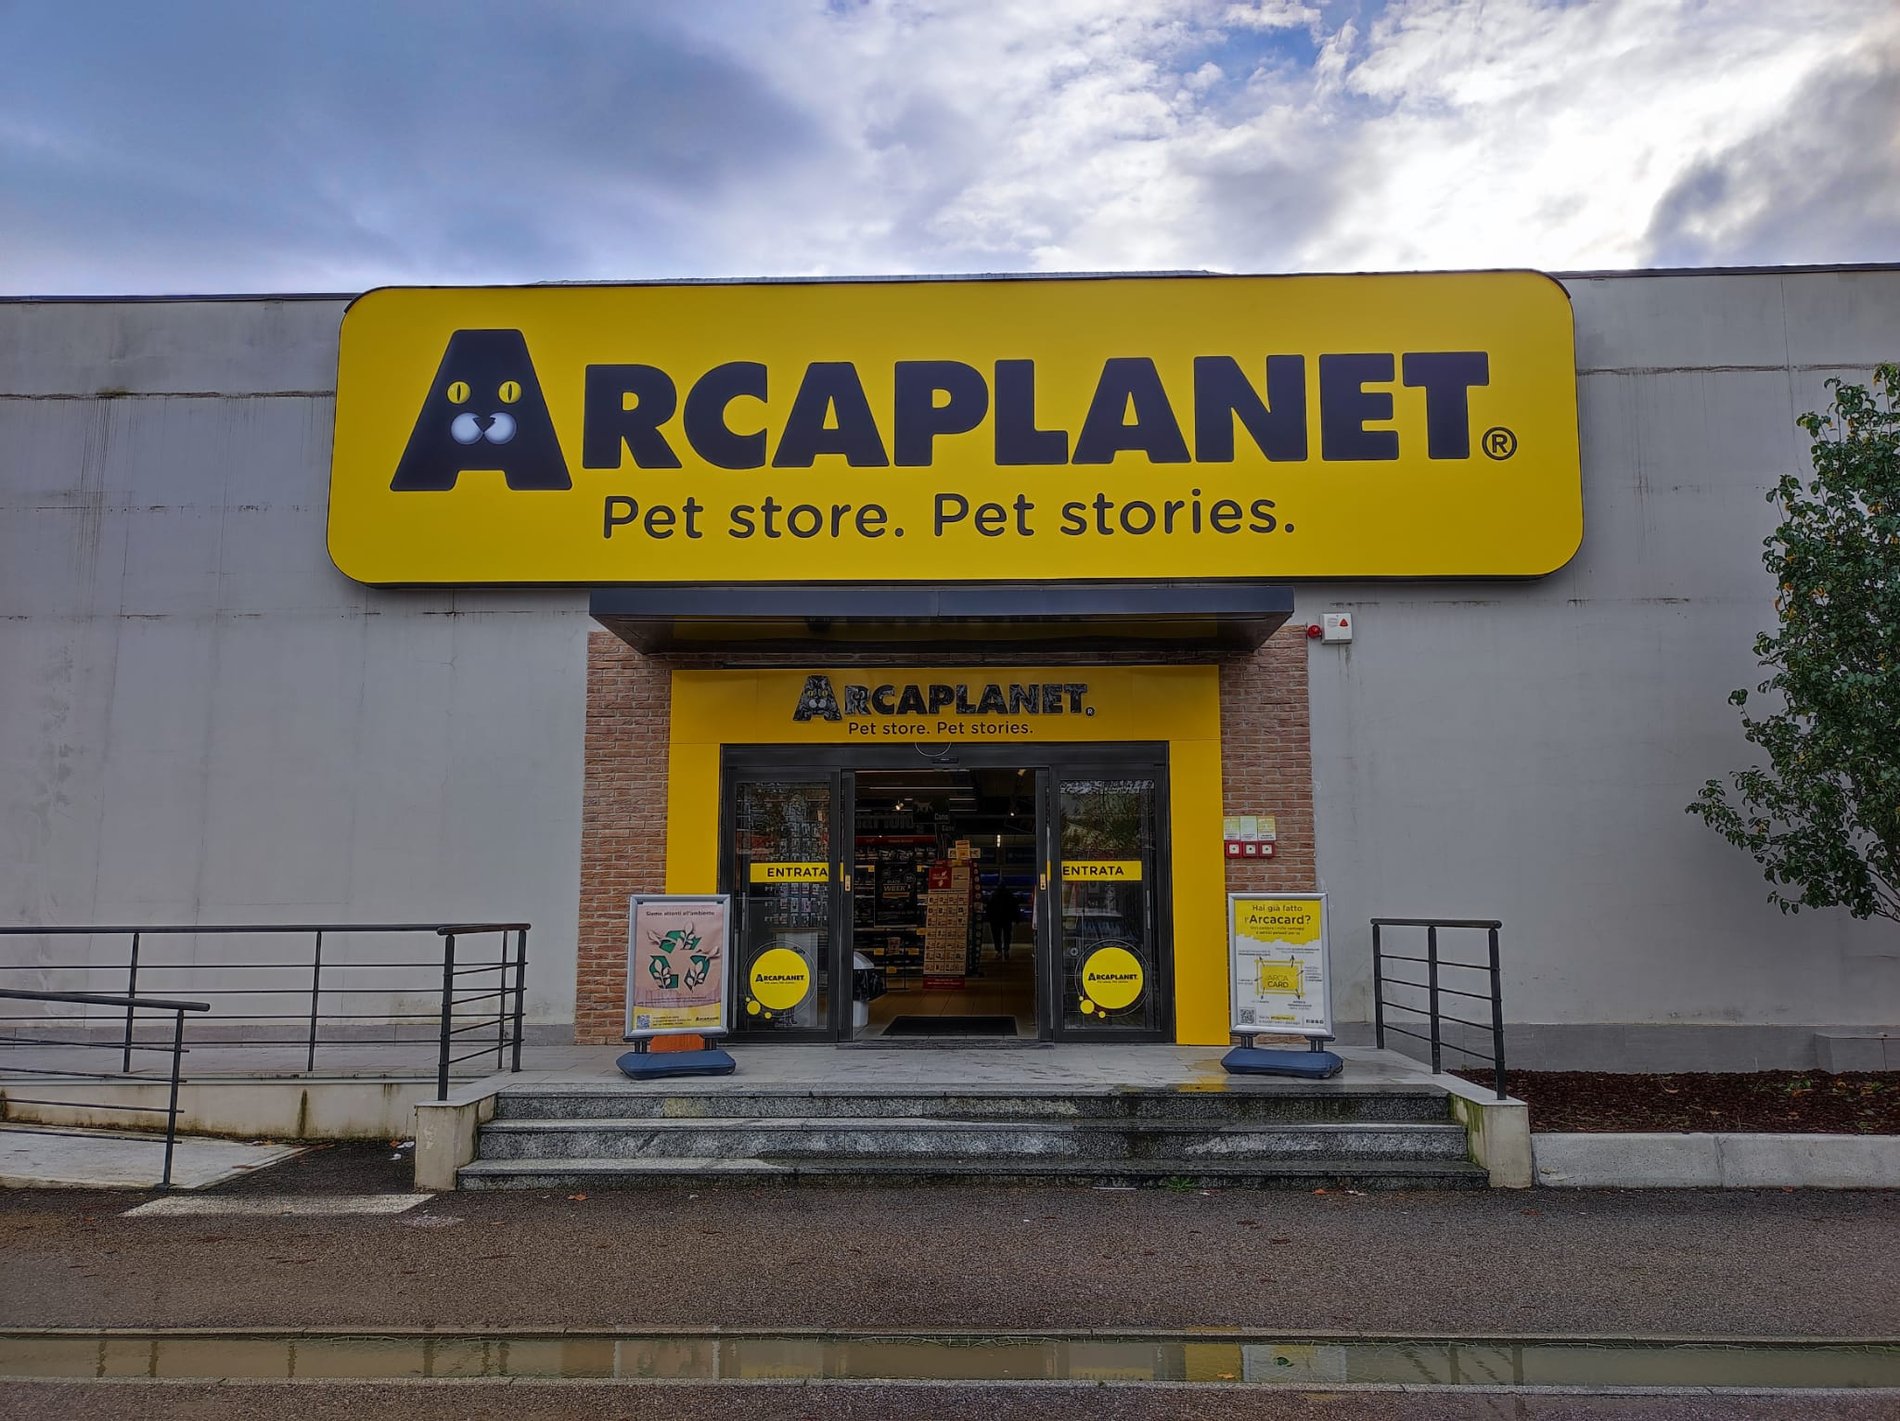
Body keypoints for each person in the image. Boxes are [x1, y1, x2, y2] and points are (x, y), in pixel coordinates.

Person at [984, 881, 1020, 962]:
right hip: (1007, 919)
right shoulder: (1009, 895)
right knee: (1007, 935)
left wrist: (988, 918)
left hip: (996, 920)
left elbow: (989, 908)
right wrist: (1017, 918)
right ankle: (1006, 950)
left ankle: (999, 951)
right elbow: (1015, 908)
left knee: (997, 936)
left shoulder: (993, 895)